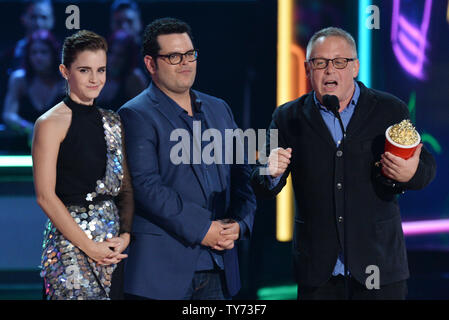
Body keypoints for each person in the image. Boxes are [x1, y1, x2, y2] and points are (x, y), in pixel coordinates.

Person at [250, 27, 436, 300]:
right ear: (307, 68)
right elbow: (261, 184)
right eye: (320, 62)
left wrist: (410, 173)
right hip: (318, 273)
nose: (329, 70)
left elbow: (425, 167)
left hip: (379, 269)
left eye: (339, 62)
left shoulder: (388, 109)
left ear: (355, 67)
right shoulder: (288, 117)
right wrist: (270, 173)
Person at [118, 17, 256, 300]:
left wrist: (240, 224)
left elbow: (243, 175)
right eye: (174, 56)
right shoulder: (136, 114)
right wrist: (203, 229)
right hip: (160, 274)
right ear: (150, 64)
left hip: (218, 266)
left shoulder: (219, 109)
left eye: (190, 54)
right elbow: (146, 186)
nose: (186, 63)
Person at [32, 30, 134, 300]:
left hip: (111, 248)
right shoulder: (49, 123)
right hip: (69, 248)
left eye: (101, 70)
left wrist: (125, 236)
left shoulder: (113, 122)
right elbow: (45, 196)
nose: (95, 79)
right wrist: (89, 246)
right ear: (65, 71)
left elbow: (124, 189)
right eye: (84, 70)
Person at [3, 30, 64, 147]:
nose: (38, 57)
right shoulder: (19, 79)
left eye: (44, 52)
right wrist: (30, 128)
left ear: (54, 54)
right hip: (21, 149)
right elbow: (8, 114)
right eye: (34, 53)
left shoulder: (67, 81)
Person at [96, 30, 148, 111]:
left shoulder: (133, 79)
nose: (114, 59)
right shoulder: (97, 75)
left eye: (120, 55)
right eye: (111, 52)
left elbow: (145, 112)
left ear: (128, 58)